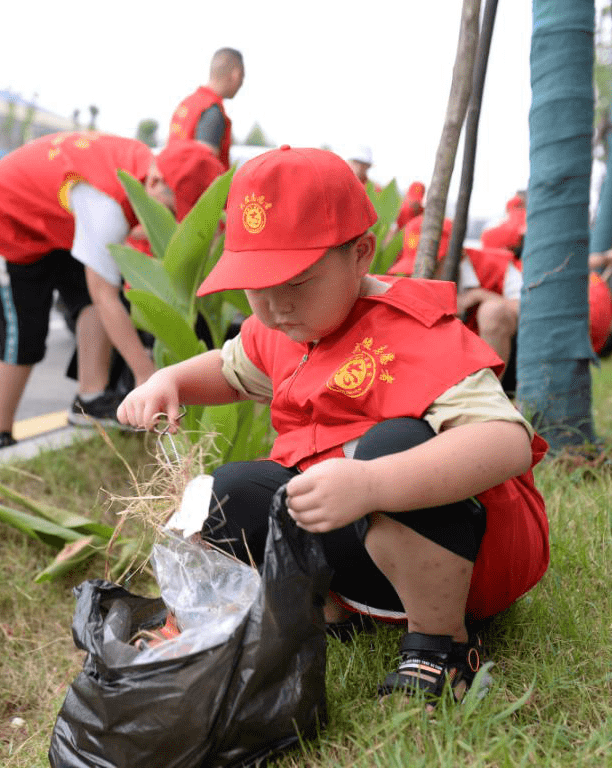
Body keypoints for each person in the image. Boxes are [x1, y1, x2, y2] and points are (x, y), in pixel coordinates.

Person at [117, 146, 548, 704]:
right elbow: (231, 368)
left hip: (468, 555)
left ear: (361, 254)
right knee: (229, 493)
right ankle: (329, 609)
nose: (273, 308)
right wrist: (169, 380)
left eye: (295, 283)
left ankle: (440, 647)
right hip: (359, 539)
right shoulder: (284, 326)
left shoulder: (420, 334)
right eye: (257, 286)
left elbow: (506, 443)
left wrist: (372, 483)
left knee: (392, 446)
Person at [0, 133, 224, 452]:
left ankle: (90, 400)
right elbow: (107, 297)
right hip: (4, 220)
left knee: (87, 301)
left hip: (59, 224)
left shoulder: (140, 166)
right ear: (155, 182)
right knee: (24, 337)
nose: (170, 222)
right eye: (172, 213)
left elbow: (99, 291)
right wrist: (147, 374)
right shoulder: (106, 206)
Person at [390, 215, 522, 369]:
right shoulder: (409, 283)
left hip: (508, 364)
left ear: (460, 254)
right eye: (414, 267)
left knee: (492, 312)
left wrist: (478, 295)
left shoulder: (497, 265)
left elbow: (531, 309)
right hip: (445, 366)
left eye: (434, 264)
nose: (424, 273)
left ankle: (488, 392)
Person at [167, 48, 245, 168]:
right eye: (242, 77)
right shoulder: (212, 111)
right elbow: (205, 167)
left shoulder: (188, 104)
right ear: (236, 74)